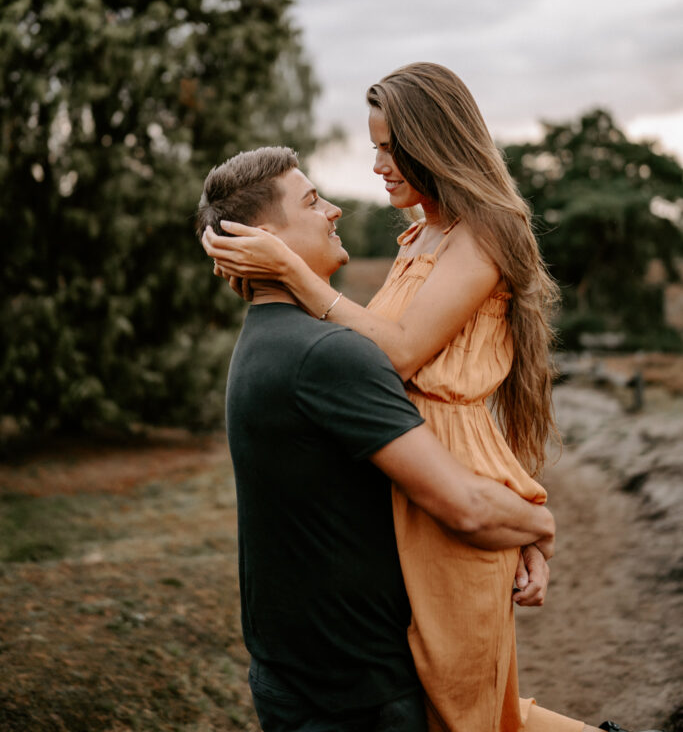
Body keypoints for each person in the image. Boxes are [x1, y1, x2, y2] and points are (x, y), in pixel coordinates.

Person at [202, 65, 661, 732]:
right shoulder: (418, 236)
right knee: (455, 708)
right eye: (374, 148)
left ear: (432, 141)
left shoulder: (485, 231)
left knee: (464, 708)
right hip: (414, 479)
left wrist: (293, 272)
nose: (378, 166)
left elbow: (401, 352)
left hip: (449, 484)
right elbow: (368, 353)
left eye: (389, 147)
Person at [196, 145, 556, 732]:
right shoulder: (328, 356)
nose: (335, 210)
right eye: (313, 202)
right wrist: (541, 525)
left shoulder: (263, 341)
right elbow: (463, 507)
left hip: (293, 673)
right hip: (354, 695)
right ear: (265, 240)